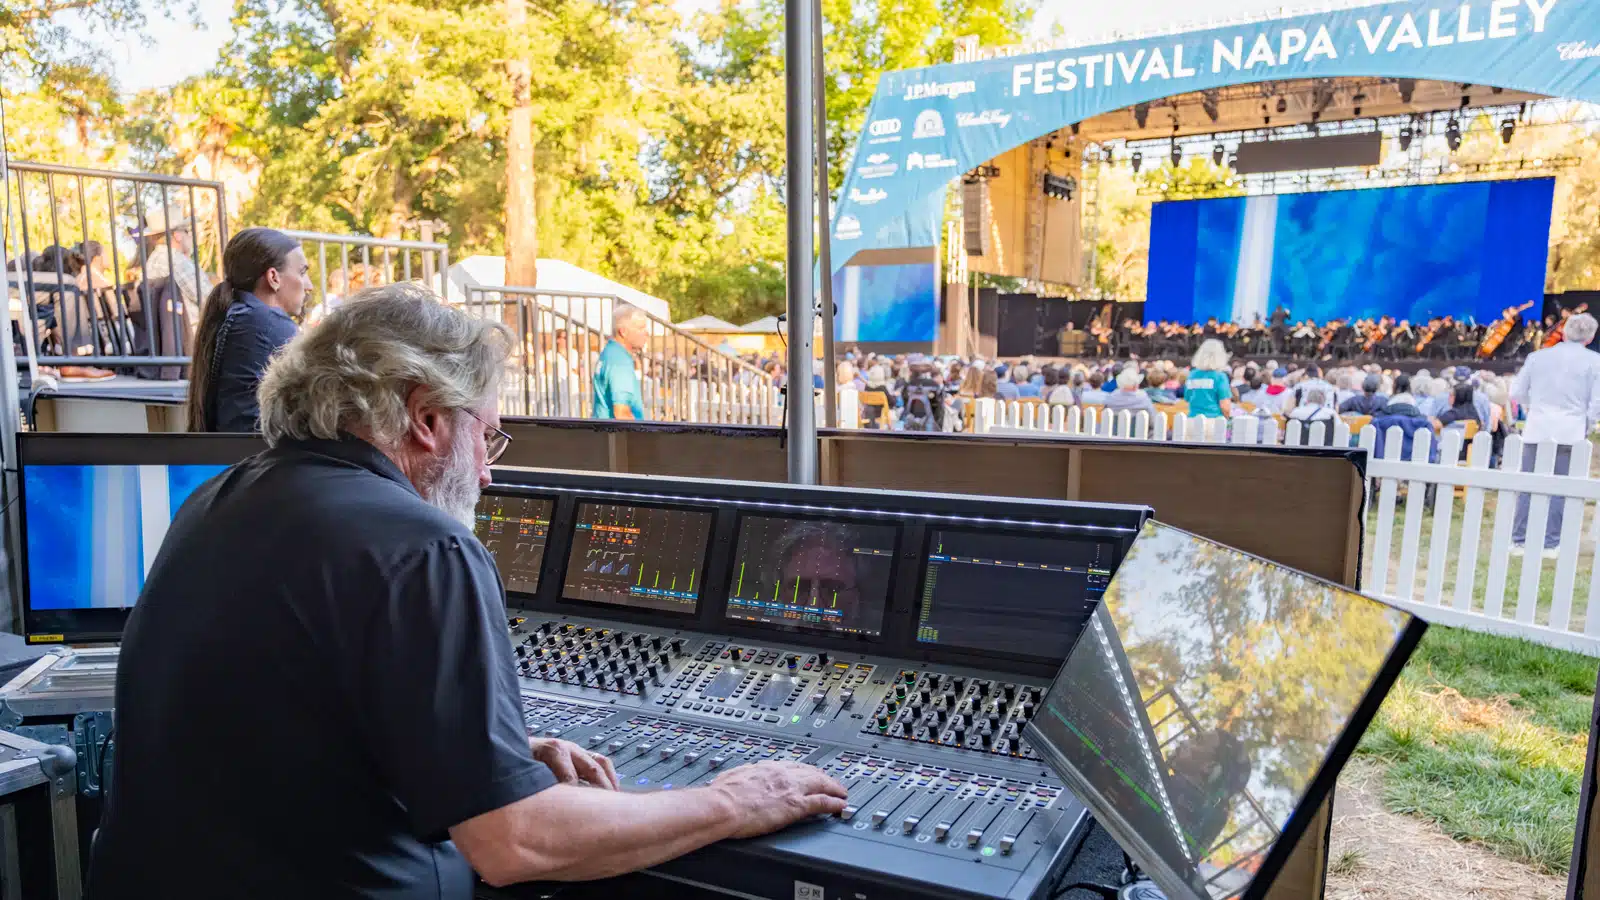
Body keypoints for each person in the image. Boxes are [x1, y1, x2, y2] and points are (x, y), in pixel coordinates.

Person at [87, 284, 847, 899]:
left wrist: (486, 759)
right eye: (485, 433)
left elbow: (284, 733)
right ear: (424, 418)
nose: (487, 470)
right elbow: (514, 843)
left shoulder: (219, 500)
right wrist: (731, 801)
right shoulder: (423, 547)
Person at [186, 228, 309, 432]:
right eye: (302, 272)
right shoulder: (269, 323)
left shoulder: (241, 316)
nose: (309, 285)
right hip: (260, 456)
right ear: (273, 277)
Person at [1510, 313, 1600, 556]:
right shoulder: (1594, 362)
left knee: (1529, 484)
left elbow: (1517, 391)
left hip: (1537, 426)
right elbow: (1596, 402)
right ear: (1590, 337)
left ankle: (1519, 539)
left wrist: (1534, 407)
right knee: (1561, 486)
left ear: (1563, 331)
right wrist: (1586, 424)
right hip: (1570, 429)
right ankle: (1550, 543)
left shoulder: (1537, 357)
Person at [137, 209, 213, 316]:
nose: (191, 236)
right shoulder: (177, 261)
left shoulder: (151, 262)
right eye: (187, 231)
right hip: (195, 329)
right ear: (178, 235)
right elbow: (211, 301)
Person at [593, 304, 649, 419]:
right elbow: (622, 414)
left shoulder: (609, 352)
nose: (646, 333)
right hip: (617, 435)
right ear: (623, 332)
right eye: (640, 329)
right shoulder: (620, 362)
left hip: (603, 432)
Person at [1184, 339, 1232, 419]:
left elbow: (1187, 398)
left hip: (1192, 419)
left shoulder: (1192, 375)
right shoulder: (1220, 377)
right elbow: (1225, 405)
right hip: (1214, 420)